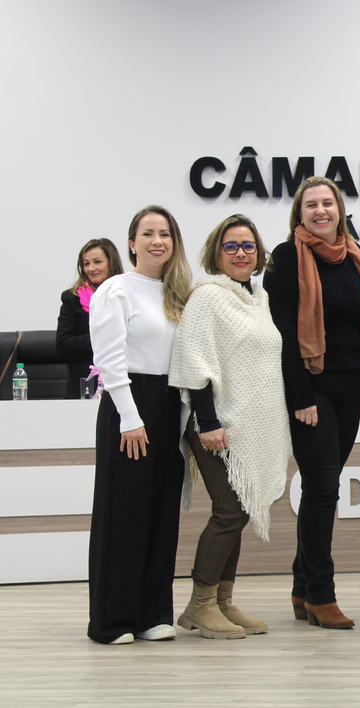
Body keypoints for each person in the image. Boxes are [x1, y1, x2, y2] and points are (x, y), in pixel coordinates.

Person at [168, 214, 290, 639]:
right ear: (216, 254)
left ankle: (221, 601)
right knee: (229, 511)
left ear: (259, 254)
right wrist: (208, 421)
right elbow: (194, 362)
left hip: (250, 426)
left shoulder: (259, 297)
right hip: (215, 423)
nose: (241, 253)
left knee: (237, 511)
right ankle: (199, 605)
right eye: (231, 246)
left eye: (248, 246)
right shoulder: (207, 297)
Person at [264, 176, 360, 630]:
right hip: (314, 388)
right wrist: (300, 395)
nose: (321, 211)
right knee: (324, 487)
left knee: (322, 487)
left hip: (352, 387)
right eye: (312, 205)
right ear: (300, 212)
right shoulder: (287, 257)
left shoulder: (355, 254)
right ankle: (321, 595)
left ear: (339, 209)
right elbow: (284, 332)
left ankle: (300, 585)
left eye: (328, 203)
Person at [87, 205, 192, 644]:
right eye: (147, 233)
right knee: (124, 514)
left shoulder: (177, 293)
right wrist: (130, 418)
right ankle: (112, 621)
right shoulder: (116, 289)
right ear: (131, 242)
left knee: (161, 513)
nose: (157, 241)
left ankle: (152, 614)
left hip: (168, 408)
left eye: (164, 234)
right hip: (129, 406)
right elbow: (109, 360)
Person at [56, 239, 124, 399]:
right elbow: (63, 345)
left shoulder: (127, 295)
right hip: (83, 386)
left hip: (121, 382)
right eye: (86, 264)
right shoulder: (72, 298)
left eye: (97, 262)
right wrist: (104, 338)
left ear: (111, 263)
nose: (91, 268)